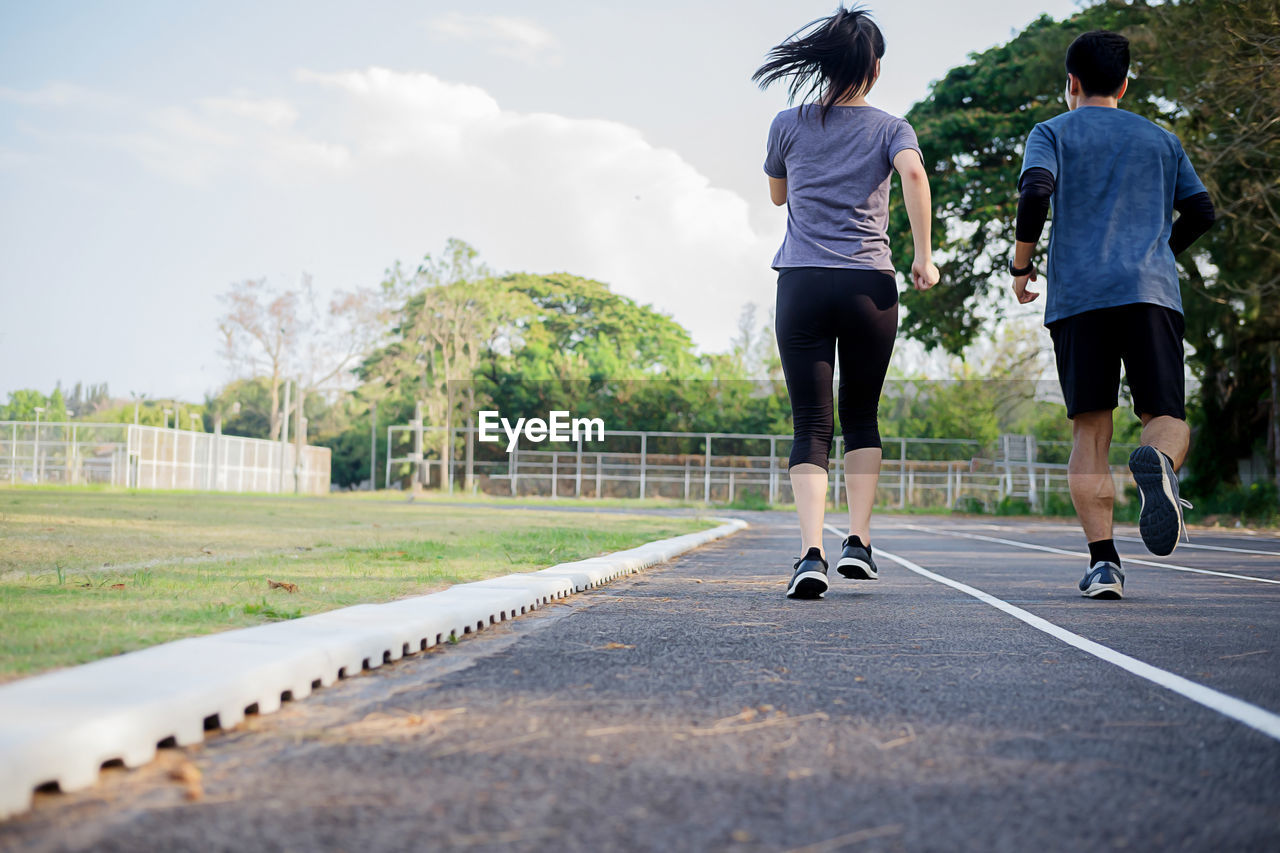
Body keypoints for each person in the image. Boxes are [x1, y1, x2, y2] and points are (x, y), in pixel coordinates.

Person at [1011, 30, 1215, 599]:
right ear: (1125, 84)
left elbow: (1035, 191)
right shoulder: (1160, 138)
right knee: (1166, 417)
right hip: (1151, 293)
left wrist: (1021, 267)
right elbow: (1202, 209)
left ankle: (1104, 564)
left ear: (1071, 83)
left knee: (1091, 429)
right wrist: (1158, 255)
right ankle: (1159, 463)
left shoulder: (1051, 130)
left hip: (1080, 298)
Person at [753, 6, 939, 600]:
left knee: (811, 423)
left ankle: (811, 554)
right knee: (861, 416)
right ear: (876, 68)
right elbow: (913, 175)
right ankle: (857, 542)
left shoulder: (787, 122)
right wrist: (924, 256)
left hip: (803, 283)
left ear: (825, 63)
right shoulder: (893, 128)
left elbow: (778, 196)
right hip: (868, 287)